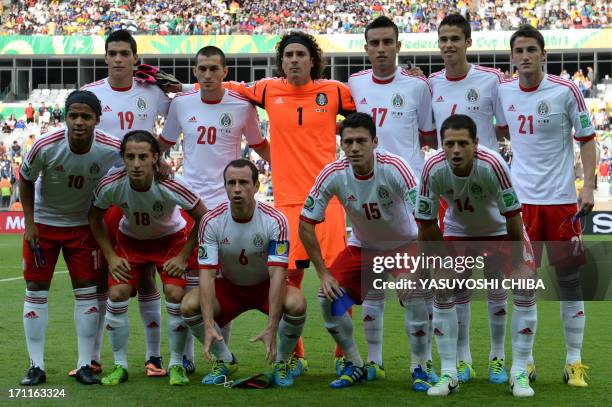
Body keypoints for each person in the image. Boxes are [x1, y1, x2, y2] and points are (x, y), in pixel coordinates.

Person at [225, 31, 355, 372]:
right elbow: (226, 87)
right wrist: (185, 88)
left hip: (329, 206)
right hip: (286, 208)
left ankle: (345, 359)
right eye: (288, 55)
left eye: (301, 54)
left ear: (313, 60)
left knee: (339, 285)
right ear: (281, 61)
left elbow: (369, 110)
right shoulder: (268, 90)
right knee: (285, 285)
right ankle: (294, 358)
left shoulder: (335, 92)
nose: (294, 60)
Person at [496, 24, 596, 388]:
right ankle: (524, 363)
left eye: (530, 50)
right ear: (512, 57)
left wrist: (589, 187)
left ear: (543, 55)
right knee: (522, 284)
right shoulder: (502, 91)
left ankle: (574, 362)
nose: (524, 56)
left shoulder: (566, 90)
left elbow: (586, 139)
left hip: (561, 203)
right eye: (518, 50)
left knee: (570, 283)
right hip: (520, 206)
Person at [160, 45, 270, 368]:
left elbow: (261, 147)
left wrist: (295, 169)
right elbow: (163, 145)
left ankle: (222, 356)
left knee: (218, 286)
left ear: (225, 72)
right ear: (195, 72)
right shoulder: (181, 105)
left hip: (227, 208)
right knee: (183, 287)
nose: (208, 74)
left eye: (214, 69)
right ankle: (181, 358)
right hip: (188, 205)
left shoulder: (242, 107)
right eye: (202, 69)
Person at [299, 112, 427, 389]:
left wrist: (415, 270)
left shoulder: (395, 168)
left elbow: (426, 219)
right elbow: (305, 224)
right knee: (328, 299)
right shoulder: (333, 173)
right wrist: (323, 273)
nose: (354, 147)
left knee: (415, 294)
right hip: (364, 249)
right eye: (348, 142)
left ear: (375, 142)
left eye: (361, 141)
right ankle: (356, 364)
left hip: (405, 245)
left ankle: (420, 367)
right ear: (341, 144)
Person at [415, 114, 537, 397]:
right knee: (443, 287)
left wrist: (519, 264)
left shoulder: (493, 164)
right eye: (449, 144)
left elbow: (513, 217)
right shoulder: (432, 167)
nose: (455, 150)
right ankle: (450, 373)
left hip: (501, 231)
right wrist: (439, 265)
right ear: (441, 145)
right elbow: (426, 222)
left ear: (476, 144)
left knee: (526, 283)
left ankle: (518, 372)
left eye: (462, 143)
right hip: (460, 232)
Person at [347, 15, 437, 385]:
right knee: (372, 288)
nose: (381, 49)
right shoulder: (354, 83)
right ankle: (374, 362)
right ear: (366, 48)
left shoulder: (417, 88)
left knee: (418, 290)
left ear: (399, 47)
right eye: (375, 43)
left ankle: (424, 363)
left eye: (388, 43)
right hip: (368, 196)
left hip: (409, 197)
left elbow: (428, 137)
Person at [81, 29, 172, 377]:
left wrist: (159, 76)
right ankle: (93, 358)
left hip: (144, 190)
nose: (118, 59)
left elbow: (179, 102)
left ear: (136, 58)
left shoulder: (151, 91)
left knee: (147, 272)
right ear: (105, 58)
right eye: (112, 53)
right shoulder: (91, 94)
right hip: (105, 191)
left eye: (125, 53)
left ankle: (154, 358)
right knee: (104, 275)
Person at [18, 90, 122, 386]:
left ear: (97, 120)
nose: (79, 122)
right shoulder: (45, 145)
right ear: (65, 118)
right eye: (73, 116)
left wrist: (162, 165)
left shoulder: (110, 148)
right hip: (44, 223)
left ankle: (84, 365)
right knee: (36, 289)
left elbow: (134, 161)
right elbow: (25, 180)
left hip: (83, 227)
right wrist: (29, 222)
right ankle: (35, 366)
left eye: (86, 116)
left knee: (87, 292)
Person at [428, 14, 509, 383]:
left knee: (496, 285)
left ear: (468, 42)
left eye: (455, 39)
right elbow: (428, 137)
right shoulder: (429, 85)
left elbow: (508, 130)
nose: (448, 45)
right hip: (454, 199)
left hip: (491, 195)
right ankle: (463, 358)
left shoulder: (491, 80)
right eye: (443, 39)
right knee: (456, 286)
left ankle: (497, 356)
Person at [88, 130, 207, 386]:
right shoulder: (111, 184)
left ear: (155, 158)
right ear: (123, 158)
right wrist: (111, 256)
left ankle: (176, 364)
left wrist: (184, 254)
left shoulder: (171, 183)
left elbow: (203, 217)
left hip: (169, 243)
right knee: (117, 294)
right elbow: (94, 218)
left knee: (175, 295)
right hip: (131, 243)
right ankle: (120, 366)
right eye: (130, 157)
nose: (136, 163)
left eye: (143, 156)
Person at [180, 159, 306, 387]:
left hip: (265, 287)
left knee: (297, 303)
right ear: (225, 186)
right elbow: (206, 275)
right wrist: (208, 324)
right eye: (231, 183)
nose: (237, 188)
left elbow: (278, 274)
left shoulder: (275, 220)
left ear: (256, 186)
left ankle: (282, 361)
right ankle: (225, 360)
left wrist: (272, 325)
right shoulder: (211, 220)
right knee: (189, 305)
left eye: (243, 182)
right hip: (229, 288)